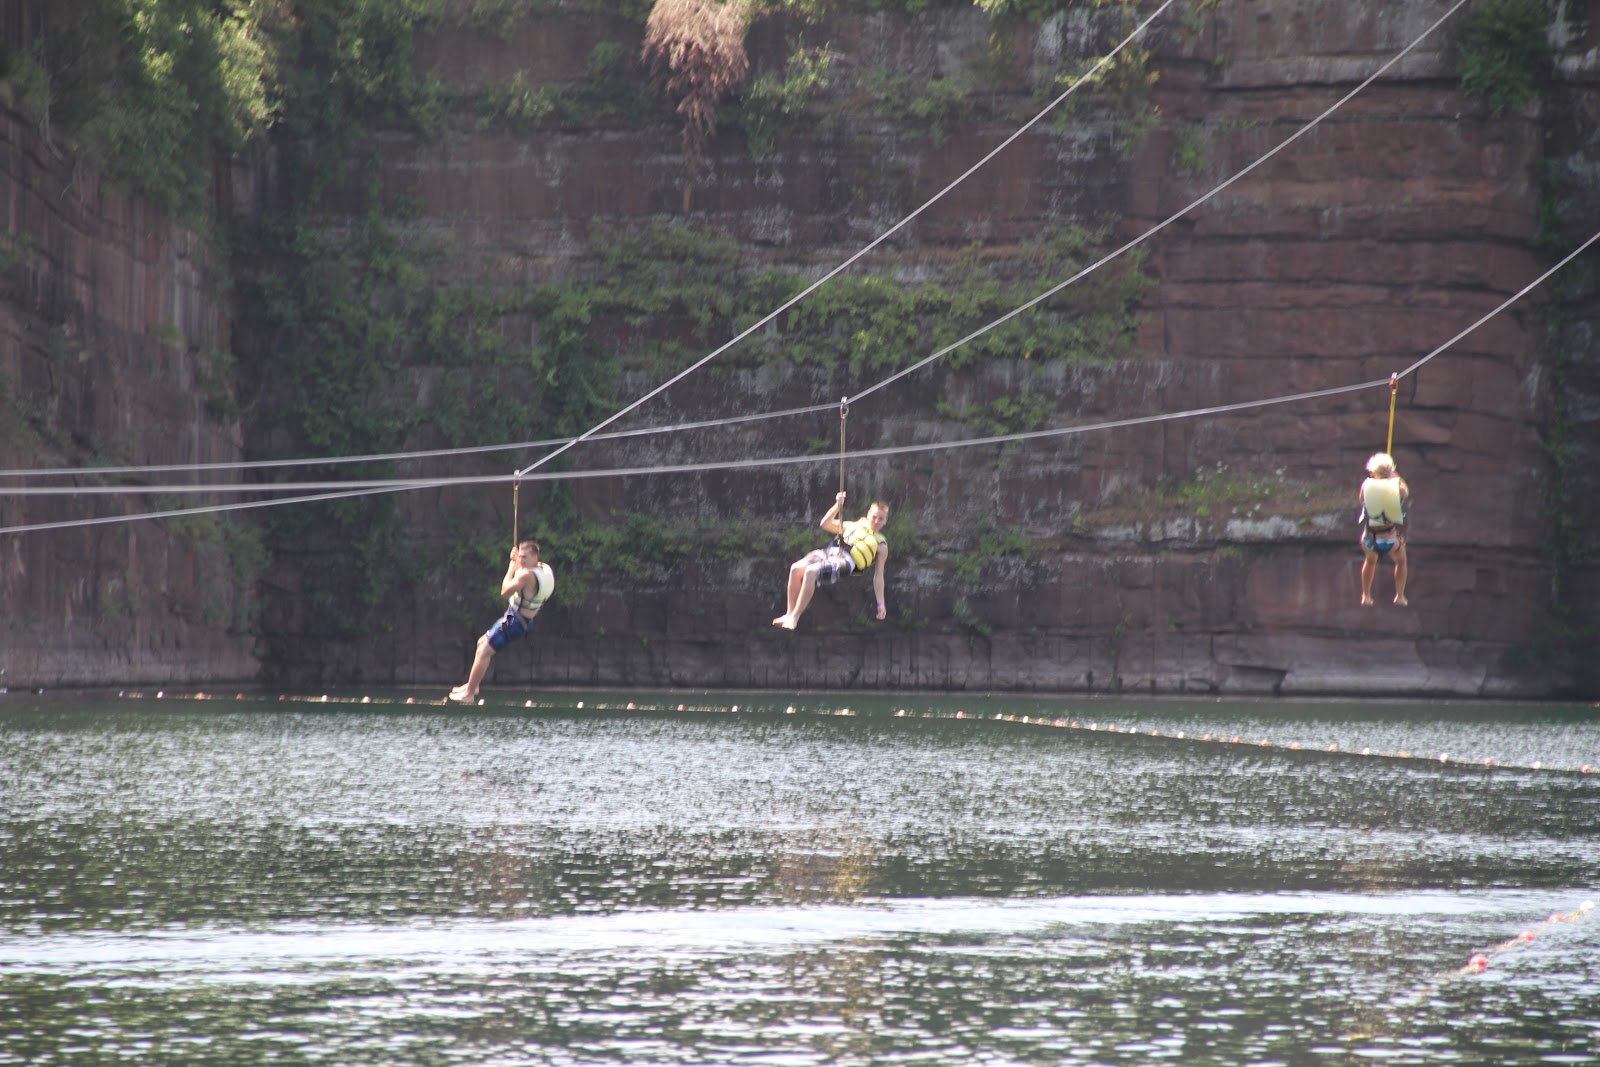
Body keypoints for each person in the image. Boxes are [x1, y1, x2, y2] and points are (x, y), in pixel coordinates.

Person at [450, 539, 554, 703]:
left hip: (515, 622)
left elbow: (505, 591)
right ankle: (473, 685)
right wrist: (517, 564)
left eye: (525, 557)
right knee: (481, 642)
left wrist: (511, 568)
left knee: (484, 651)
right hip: (521, 620)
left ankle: (469, 694)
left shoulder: (526, 575)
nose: (521, 560)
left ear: (535, 557)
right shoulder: (543, 569)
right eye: (520, 556)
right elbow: (525, 579)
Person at [773, 491, 889, 630]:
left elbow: (879, 576)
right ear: (868, 514)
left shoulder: (881, 545)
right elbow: (825, 524)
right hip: (829, 553)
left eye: (880, 519)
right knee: (795, 568)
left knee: (811, 571)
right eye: (874, 517)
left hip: (846, 562)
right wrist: (837, 506)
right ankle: (789, 613)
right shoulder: (852, 525)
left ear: (885, 520)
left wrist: (881, 604)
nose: (876, 521)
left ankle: (795, 617)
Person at [1358, 452, 1409, 607]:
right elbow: (1406, 492)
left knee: (1370, 561)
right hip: (1389, 539)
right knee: (1401, 561)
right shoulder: (1397, 489)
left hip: (1370, 539)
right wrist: (1395, 475)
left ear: (1374, 471)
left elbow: (1362, 500)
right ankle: (1399, 596)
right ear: (1390, 472)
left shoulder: (1366, 486)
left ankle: (1366, 595)